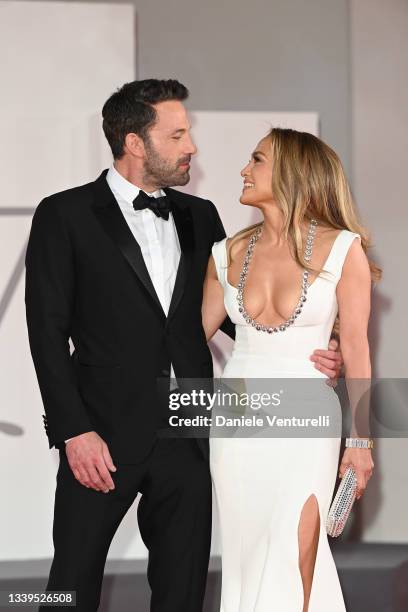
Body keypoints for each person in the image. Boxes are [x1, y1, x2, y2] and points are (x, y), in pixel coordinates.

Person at [25, 80, 342, 611]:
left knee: (183, 589)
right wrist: (74, 430)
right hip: (100, 435)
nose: (190, 146)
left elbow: (229, 317)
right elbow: (46, 334)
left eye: (187, 132)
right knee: (69, 582)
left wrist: (302, 345)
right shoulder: (65, 214)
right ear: (133, 142)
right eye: (176, 134)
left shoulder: (202, 217)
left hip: (191, 433)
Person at [202, 128, 379, 612]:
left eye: (256, 160)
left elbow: (359, 349)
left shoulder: (344, 250)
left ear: (292, 174)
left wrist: (360, 442)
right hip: (237, 415)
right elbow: (187, 340)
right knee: (245, 552)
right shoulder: (228, 252)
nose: (244, 169)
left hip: (306, 416)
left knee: (299, 546)